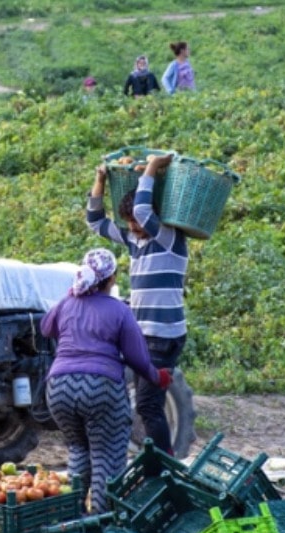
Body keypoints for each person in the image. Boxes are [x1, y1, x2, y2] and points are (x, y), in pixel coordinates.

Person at [40, 248, 170, 514]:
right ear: (111, 279)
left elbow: (46, 328)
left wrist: (69, 296)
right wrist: (158, 377)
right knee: (106, 456)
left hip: (59, 389)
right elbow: (137, 358)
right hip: (100, 388)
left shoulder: (67, 304)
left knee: (78, 450)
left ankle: (71, 516)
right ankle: (102, 522)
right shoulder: (119, 310)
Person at [87, 153, 188, 457]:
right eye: (129, 222)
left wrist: (154, 168)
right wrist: (100, 180)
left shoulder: (169, 238)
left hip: (162, 335)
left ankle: (164, 464)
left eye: (136, 221)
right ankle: (161, 461)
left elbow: (143, 211)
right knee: (146, 403)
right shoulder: (135, 241)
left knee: (147, 405)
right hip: (145, 336)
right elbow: (95, 222)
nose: (133, 226)